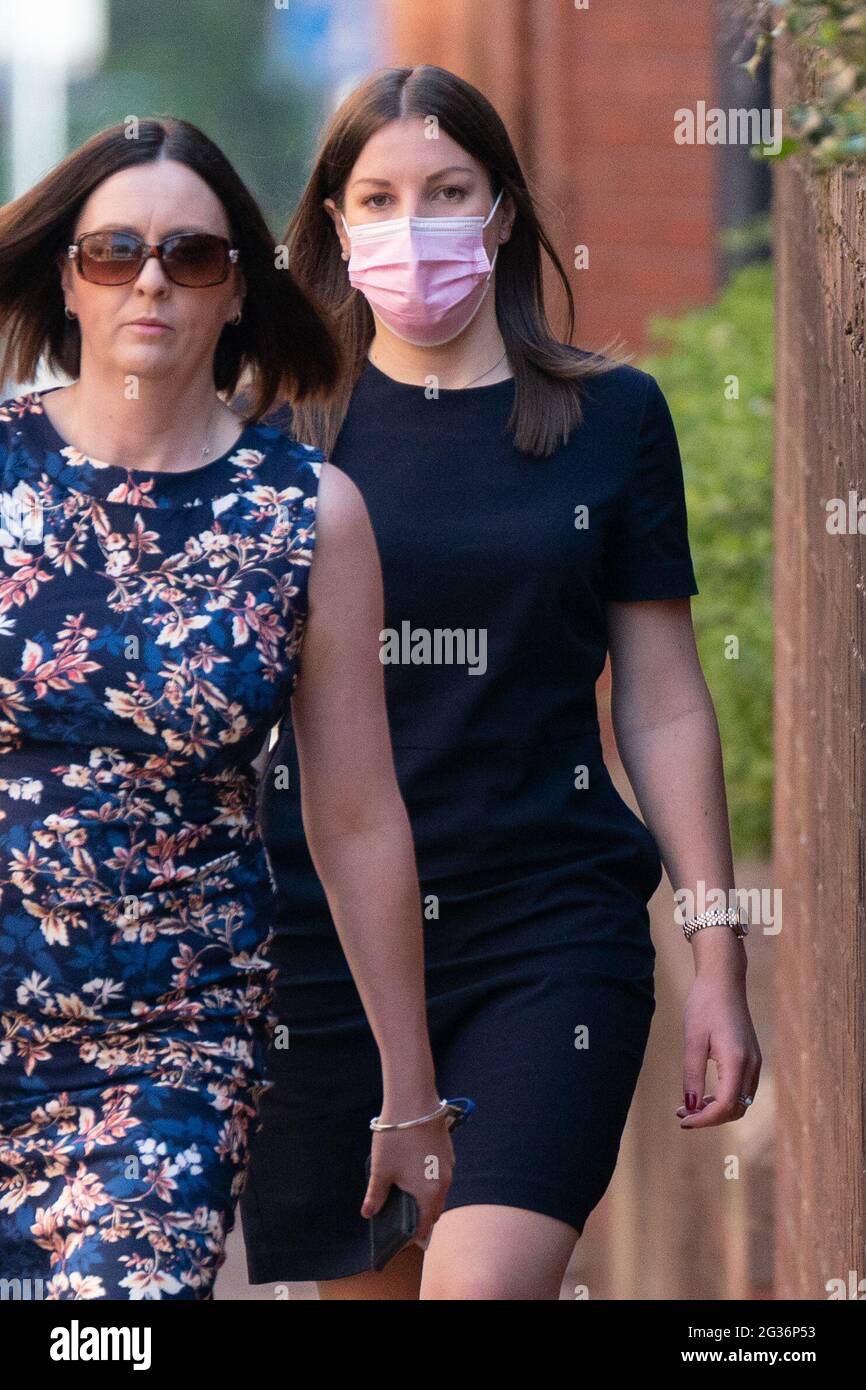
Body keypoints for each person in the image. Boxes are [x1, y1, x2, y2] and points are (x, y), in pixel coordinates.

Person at [239, 65, 762, 1301]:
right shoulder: (274, 430)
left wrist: (718, 958)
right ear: (331, 221)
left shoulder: (612, 417)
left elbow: (663, 698)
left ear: (505, 211)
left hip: (548, 929)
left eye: (446, 189)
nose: (410, 223)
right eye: (376, 197)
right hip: (319, 949)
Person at [0, 116, 455, 1300]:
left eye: (191, 256)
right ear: (68, 276)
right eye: (114, 253)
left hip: (173, 1047)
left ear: (238, 290)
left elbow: (354, 817)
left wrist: (408, 1088)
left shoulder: (307, 512)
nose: (150, 279)